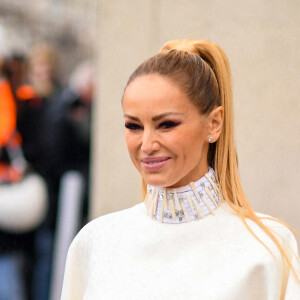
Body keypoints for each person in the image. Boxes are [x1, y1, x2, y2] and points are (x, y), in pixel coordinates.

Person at [60, 39, 300, 299]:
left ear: (214, 124)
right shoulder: (96, 242)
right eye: (134, 126)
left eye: (166, 124)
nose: (147, 145)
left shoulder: (268, 247)